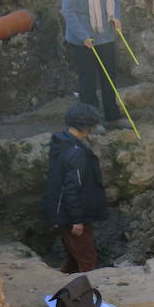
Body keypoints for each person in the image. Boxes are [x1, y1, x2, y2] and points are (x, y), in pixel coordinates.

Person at [61, 0, 126, 127]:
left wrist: (115, 16)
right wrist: (83, 36)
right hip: (82, 36)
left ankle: (112, 117)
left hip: (104, 32)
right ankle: (91, 122)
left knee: (109, 75)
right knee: (88, 79)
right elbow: (68, 11)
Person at [42, 103, 109, 273]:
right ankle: (89, 294)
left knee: (74, 255)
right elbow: (73, 186)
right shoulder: (76, 152)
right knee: (87, 259)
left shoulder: (60, 141)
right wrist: (77, 219)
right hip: (72, 215)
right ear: (87, 127)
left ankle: (67, 284)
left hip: (60, 210)